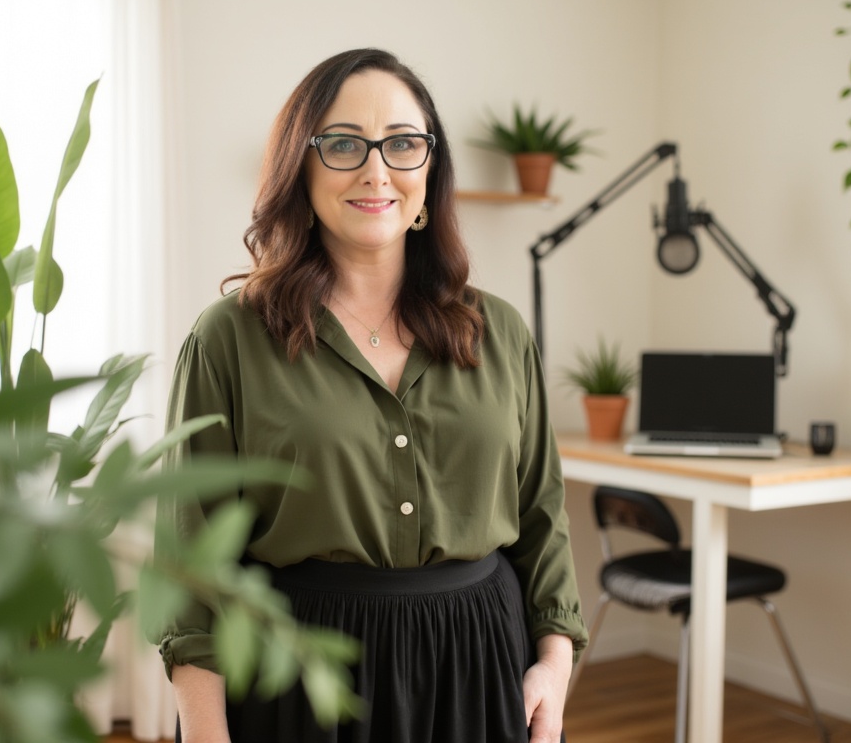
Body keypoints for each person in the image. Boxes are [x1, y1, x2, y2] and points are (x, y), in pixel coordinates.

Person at [158, 47, 588, 743]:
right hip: (296, 679)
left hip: (480, 667)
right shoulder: (228, 340)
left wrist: (553, 664)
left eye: (403, 144)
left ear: (430, 167)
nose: (376, 169)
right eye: (343, 144)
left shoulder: (500, 331)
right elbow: (191, 566)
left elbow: (542, 518)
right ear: (301, 165)